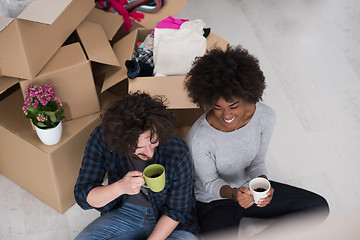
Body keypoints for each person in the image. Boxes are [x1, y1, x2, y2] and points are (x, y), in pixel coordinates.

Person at [184, 45, 329, 235]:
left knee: (318, 207)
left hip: (249, 190)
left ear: (247, 96)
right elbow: (208, 183)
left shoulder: (265, 117)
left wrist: (262, 184)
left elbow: (257, 162)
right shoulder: (199, 138)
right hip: (215, 201)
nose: (225, 114)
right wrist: (234, 194)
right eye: (217, 107)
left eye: (233, 105)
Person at [74, 92, 200, 240]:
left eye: (154, 142)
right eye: (140, 148)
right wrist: (120, 187)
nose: (149, 152)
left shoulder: (176, 149)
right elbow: (83, 196)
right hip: (125, 212)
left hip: (170, 221)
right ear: (122, 142)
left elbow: (177, 212)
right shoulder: (103, 138)